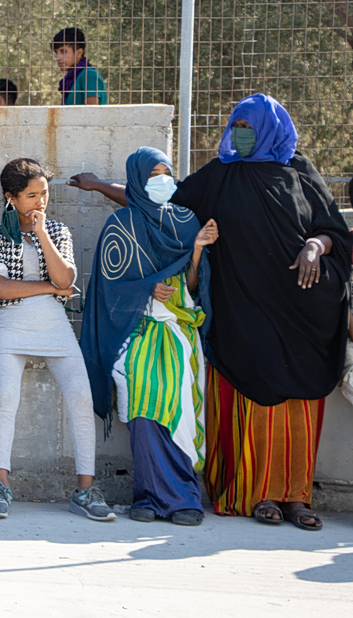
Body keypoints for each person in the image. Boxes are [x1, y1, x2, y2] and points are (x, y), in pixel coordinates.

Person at [69, 94, 352, 531]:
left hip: (300, 312)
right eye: (234, 125)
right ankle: (253, 494)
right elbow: (159, 201)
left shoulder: (300, 171)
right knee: (254, 403)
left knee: (297, 406)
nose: (238, 133)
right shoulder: (221, 175)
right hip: (245, 314)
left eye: (248, 127)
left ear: (269, 130)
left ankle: (297, 496)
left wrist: (317, 245)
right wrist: (100, 185)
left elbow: (333, 230)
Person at [81, 147, 218, 527]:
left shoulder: (187, 221)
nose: (163, 181)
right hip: (136, 330)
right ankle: (148, 496)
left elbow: (193, 284)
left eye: (167, 172)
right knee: (141, 402)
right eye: (153, 174)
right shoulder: (120, 225)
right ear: (138, 179)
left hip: (176, 329)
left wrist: (196, 252)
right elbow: (108, 288)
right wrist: (145, 290)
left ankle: (184, 497)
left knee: (177, 405)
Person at [0, 158, 114, 522]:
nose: (40, 202)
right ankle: (0, 485)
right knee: (6, 397)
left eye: (45, 194)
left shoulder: (57, 230)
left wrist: (41, 236)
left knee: (82, 398)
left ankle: (85, 489)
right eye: (31, 195)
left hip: (55, 325)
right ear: (11, 197)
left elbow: (67, 275)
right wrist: (50, 288)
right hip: (9, 325)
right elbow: (0, 288)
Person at [52, 28, 107, 106]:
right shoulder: (70, 80)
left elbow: (92, 114)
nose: (58, 57)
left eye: (63, 51)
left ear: (79, 53)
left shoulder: (89, 75)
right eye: (56, 53)